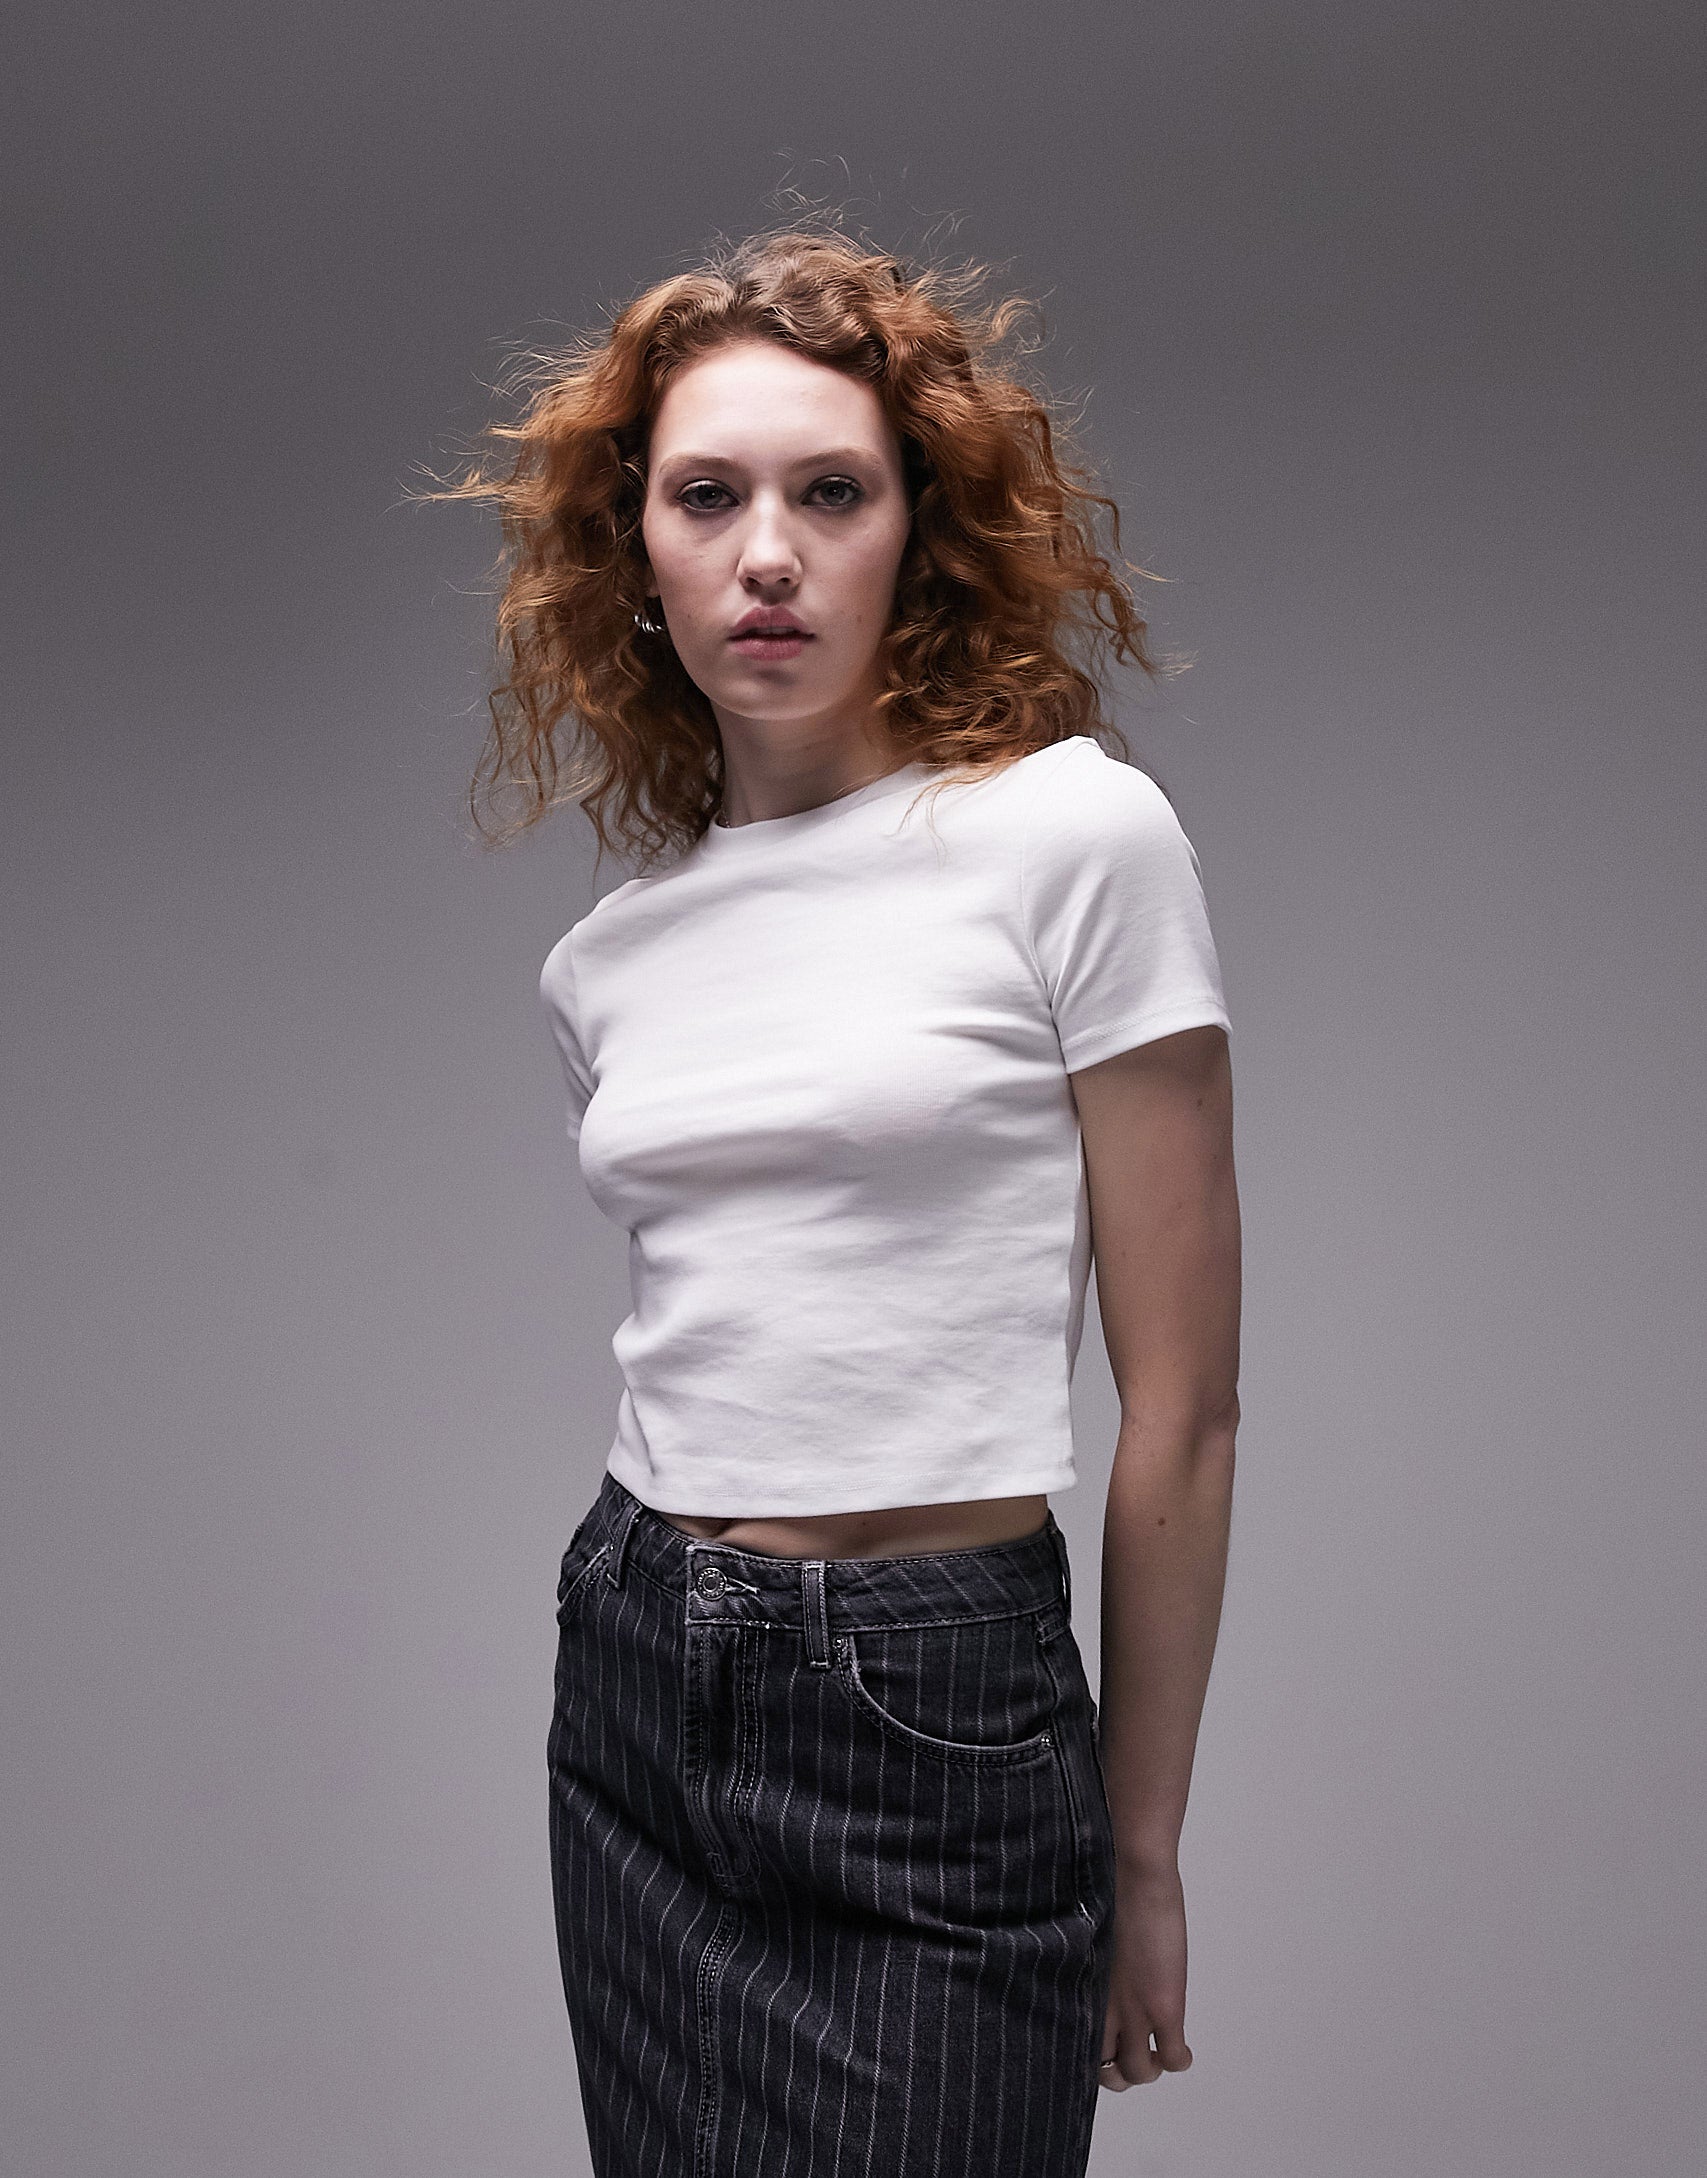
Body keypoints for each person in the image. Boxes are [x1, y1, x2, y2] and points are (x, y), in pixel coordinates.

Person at [438, 224, 1240, 2178]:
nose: (768, 554)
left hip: (931, 1709)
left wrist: (1140, 1850)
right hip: (637, 1683)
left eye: (832, 492)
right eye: (706, 496)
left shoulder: (1070, 839)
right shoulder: (607, 961)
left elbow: (1186, 1408)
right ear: (633, 548)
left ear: (921, 531)